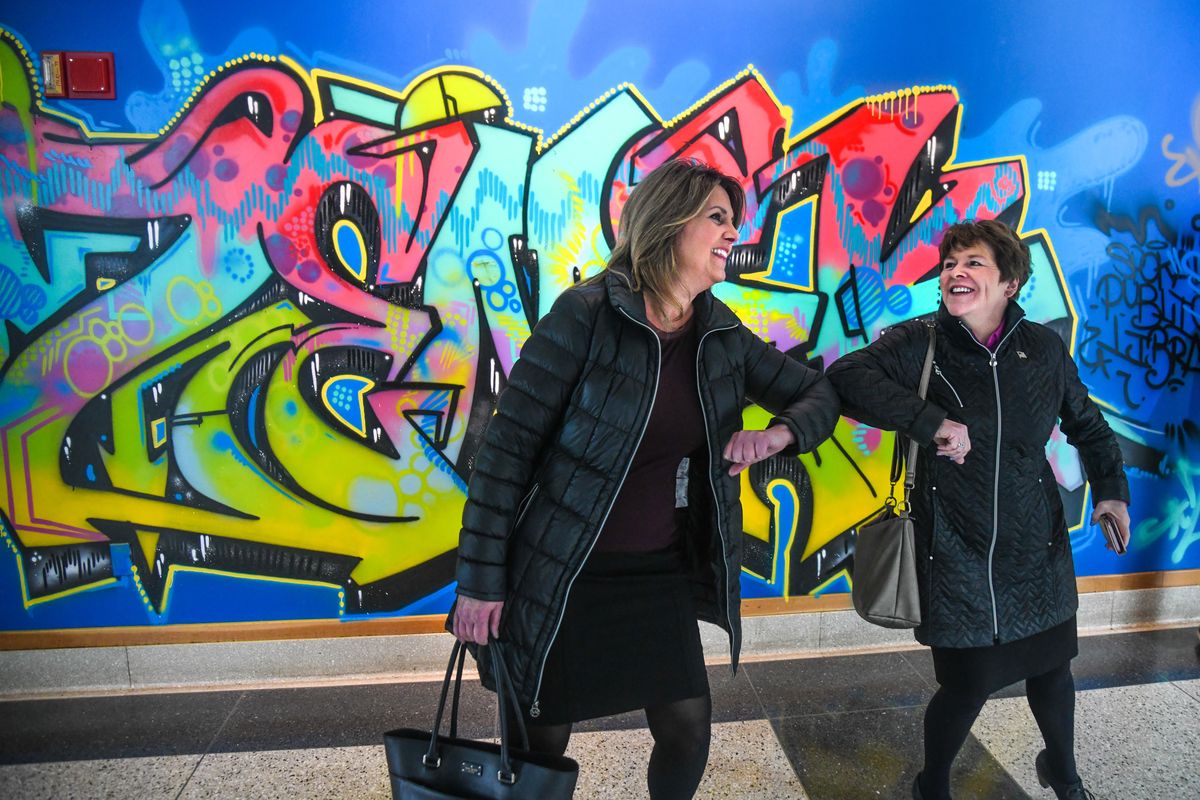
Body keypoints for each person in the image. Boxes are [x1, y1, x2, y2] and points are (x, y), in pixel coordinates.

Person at [450, 158, 840, 798]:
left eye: (733, 221)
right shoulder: (584, 316)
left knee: (688, 725)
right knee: (541, 741)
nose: (733, 233)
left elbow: (816, 393)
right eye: (718, 217)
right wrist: (479, 584)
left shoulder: (718, 332)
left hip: (657, 570)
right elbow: (503, 455)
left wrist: (777, 434)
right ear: (669, 221)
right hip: (564, 571)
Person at [825, 219, 1131, 800]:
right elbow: (847, 376)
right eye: (949, 264)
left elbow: (1088, 427)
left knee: (1052, 671)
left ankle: (1064, 776)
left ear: (1010, 281)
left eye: (973, 264)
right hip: (954, 547)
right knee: (966, 686)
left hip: (1035, 545)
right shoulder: (922, 342)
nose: (956, 273)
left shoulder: (1042, 348)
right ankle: (931, 784)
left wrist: (1112, 491)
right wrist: (931, 422)